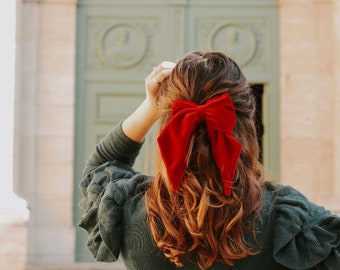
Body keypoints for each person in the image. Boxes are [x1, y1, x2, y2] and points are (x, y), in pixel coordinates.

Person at [78, 51, 340, 270]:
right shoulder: (284, 220)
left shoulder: (130, 209)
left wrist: (151, 106)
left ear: (169, 122)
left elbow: (100, 165)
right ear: (247, 124)